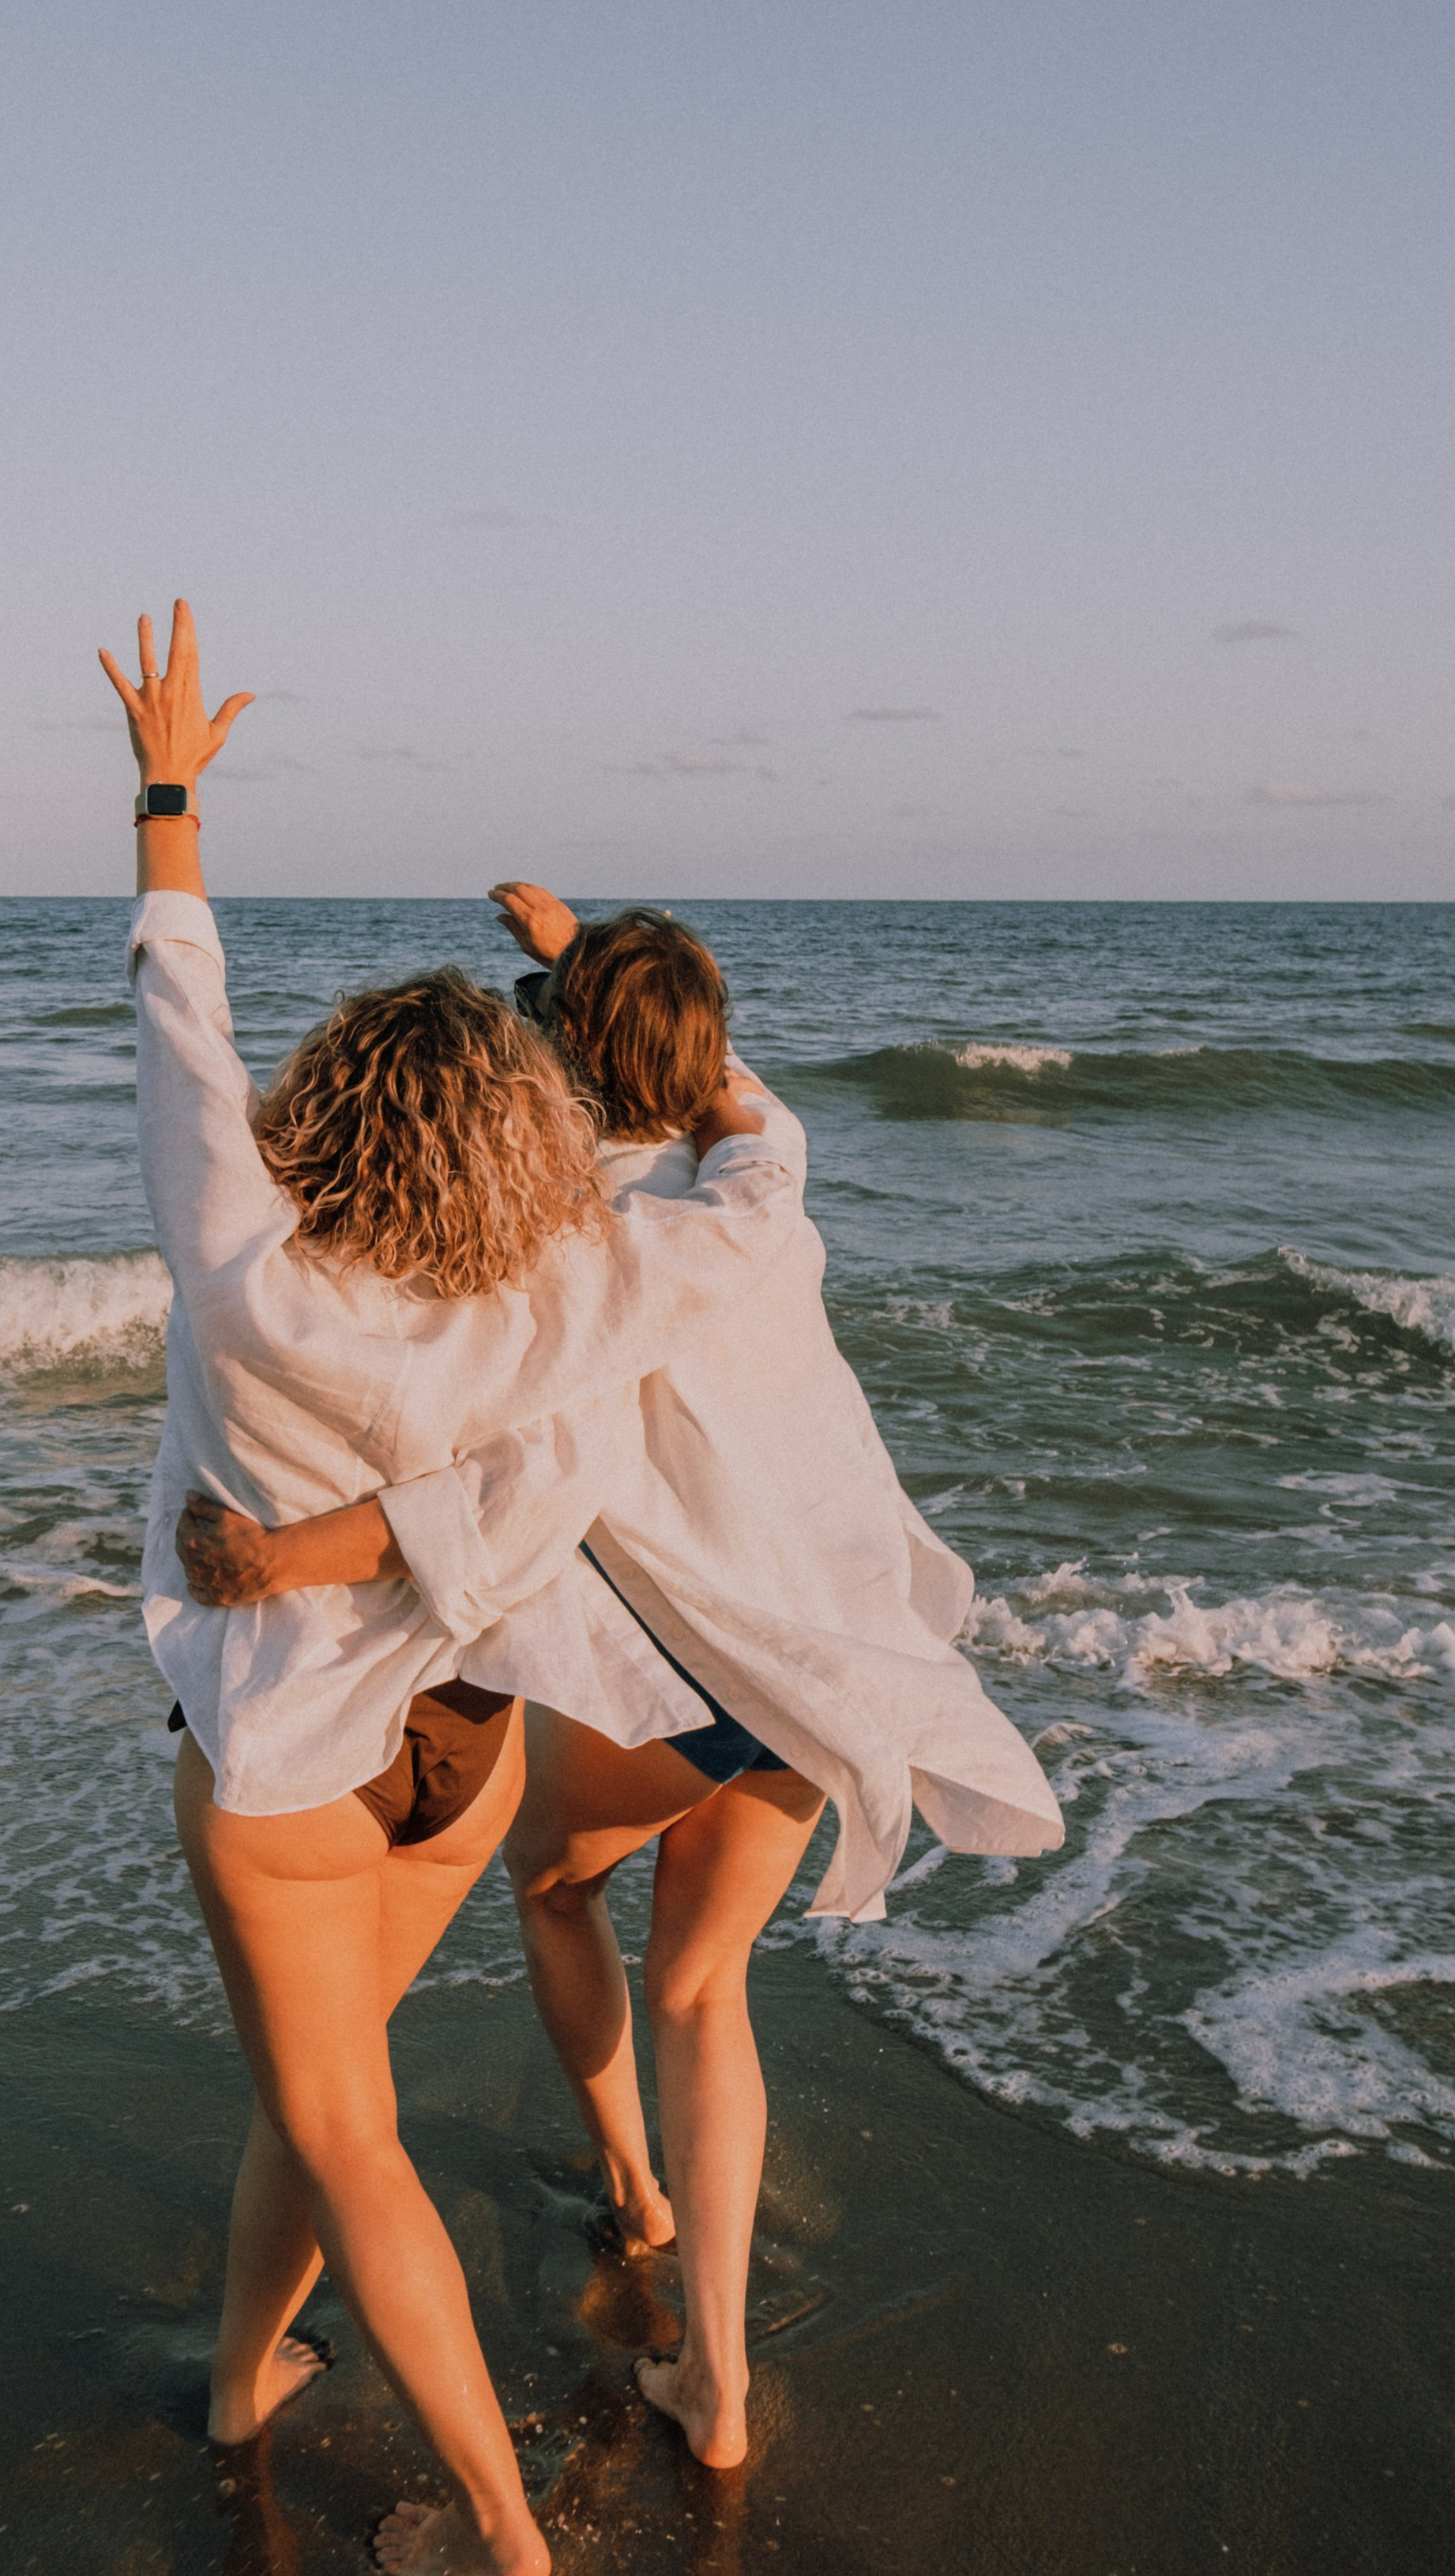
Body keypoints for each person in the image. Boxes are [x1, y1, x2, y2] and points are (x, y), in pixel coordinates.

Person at [176, 881, 1062, 2472]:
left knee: (553, 1887)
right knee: (706, 1990)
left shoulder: (555, 1242)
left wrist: (296, 1552)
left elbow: (516, 1476)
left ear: (549, 1071)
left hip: (671, 1682)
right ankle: (713, 2383)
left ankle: (629, 2180)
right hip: (815, 1670)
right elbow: (749, 1112)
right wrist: (588, 964)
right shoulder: (751, 1211)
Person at [102, 608, 808, 2576]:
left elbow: (176, 1003)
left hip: (289, 1762)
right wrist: (609, 983)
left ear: (319, 1104)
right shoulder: (558, 1292)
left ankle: (501, 2533)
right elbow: (753, 1180)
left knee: (348, 2129)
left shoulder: (239, 1257)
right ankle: (246, 2379)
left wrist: (169, 797)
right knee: (307, 2095)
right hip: (465, 1754)